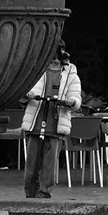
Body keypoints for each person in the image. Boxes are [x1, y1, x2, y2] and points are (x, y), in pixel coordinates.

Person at [20, 41, 82, 199]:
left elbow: (75, 95)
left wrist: (72, 102)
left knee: (49, 162)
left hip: (56, 119)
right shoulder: (35, 68)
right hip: (36, 117)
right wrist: (27, 94)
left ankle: (44, 193)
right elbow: (24, 89)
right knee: (32, 162)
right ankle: (30, 194)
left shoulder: (70, 71)